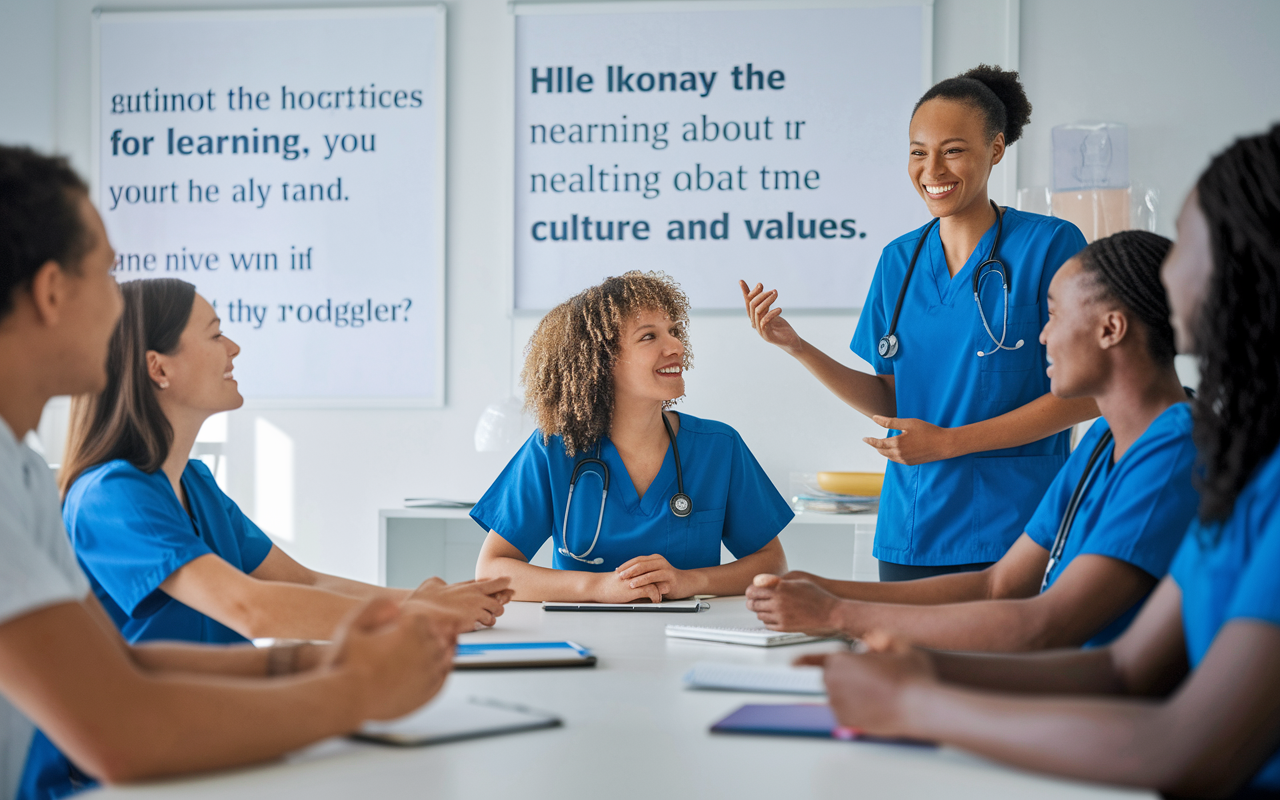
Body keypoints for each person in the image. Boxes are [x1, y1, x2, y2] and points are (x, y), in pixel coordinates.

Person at [805, 126, 1280, 797]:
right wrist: (920, 671)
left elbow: (1185, 743)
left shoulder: (1188, 450)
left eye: (1188, 240)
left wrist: (910, 692)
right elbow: (1118, 667)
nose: (1042, 333)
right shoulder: (1157, 456)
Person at [0, 145, 452, 800]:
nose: (117, 309)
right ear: (50, 292)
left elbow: (117, 665)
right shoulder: (98, 491)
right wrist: (358, 690)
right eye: (106, 277)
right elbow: (123, 731)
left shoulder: (21, 472)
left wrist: (319, 660)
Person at [746, 231, 1196, 650]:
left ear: (1110, 329)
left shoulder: (1174, 455)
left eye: (1053, 314)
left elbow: (1046, 625)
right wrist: (820, 587)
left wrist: (839, 613)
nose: (1042, 334)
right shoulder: (1103, 443)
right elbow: (996, 586)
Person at [741, 65, 1095, 581]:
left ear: (996, 149)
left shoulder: (1050, 246)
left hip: (1017, 529)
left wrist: (950, 442)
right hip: (911, 529)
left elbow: (1087, 395)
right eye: (918, 151)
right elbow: (891, 399)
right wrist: (797, 346)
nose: (932, 168)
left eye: (953, 150)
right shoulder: (898, 261)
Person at [57, 277, 511, 647]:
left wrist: (430, 598)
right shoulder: (111, 496)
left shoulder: (195, 483)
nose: (233, 348)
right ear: (159, 369)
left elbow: (304, 584)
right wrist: (414, 613)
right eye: (215, 334)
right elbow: (251, 609)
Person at [473, 271, 790, 602]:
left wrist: (691, 581)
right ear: (600, 360)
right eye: (649, 337)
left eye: (674, 331)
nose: (676, 346)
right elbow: (493, 569)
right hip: (581, 643)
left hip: (688, 642)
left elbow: (773, 564)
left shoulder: (719, 447)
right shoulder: (554, 449)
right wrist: (599, 588)